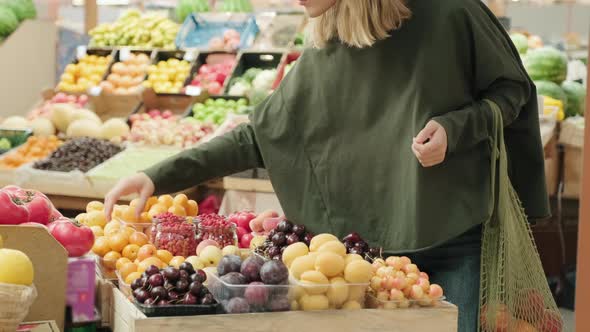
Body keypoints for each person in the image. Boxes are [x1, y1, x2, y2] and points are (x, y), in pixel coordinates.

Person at [105, 0, 549, 330]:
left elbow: (512, 90)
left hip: (453, 235)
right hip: (369, 259)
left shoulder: (449, 11)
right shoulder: (329, 44)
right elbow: (260, 136)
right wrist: (156, 175)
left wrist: (459, 128)